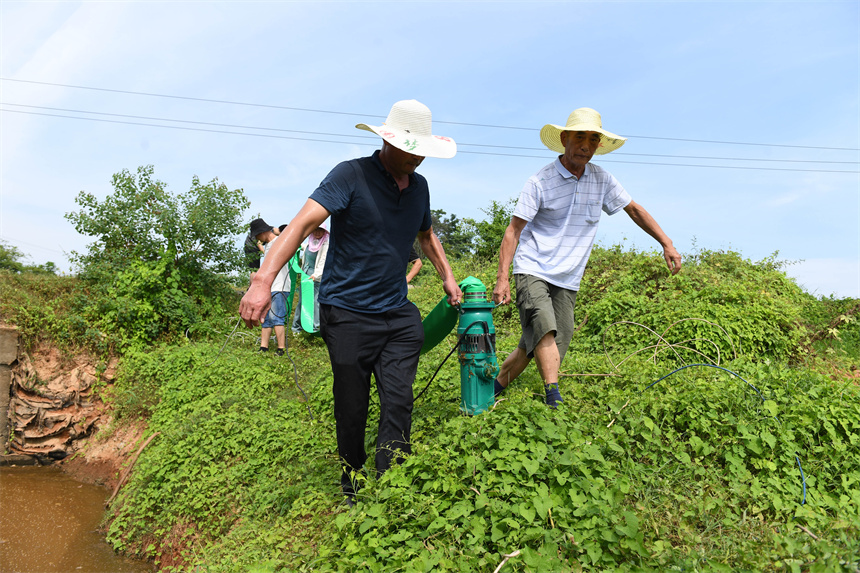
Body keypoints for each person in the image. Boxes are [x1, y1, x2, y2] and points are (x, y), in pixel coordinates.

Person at [239, 99, 463, 505]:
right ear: (387, 141)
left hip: (396, 312)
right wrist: (262, 280)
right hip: (347, 314)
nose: (416, 157)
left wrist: (448, 277)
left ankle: (391, 481)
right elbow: (303, 222)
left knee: (398, 399)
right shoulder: (351, 175)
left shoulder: (421, 188)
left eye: (421, 150)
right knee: (352, 406)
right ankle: (353, 481)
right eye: (409, 148)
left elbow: (426, 236)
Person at [492, 108, 682, 407]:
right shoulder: (540, 181)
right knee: (544, 326)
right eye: (580, 137)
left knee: (545, 340)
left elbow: (633, 209)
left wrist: (666, 242)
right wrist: (502, 279)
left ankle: (496, 385)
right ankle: (553, 397)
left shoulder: (602, 179)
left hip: (568, 276)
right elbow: (513, 231)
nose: (586, 145)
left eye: (593, 139)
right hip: (533, 267)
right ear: (565, 138)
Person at [291, 222, 330, 333]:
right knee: (302, 301)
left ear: (324, 232)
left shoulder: (325, 245)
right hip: (305, 274)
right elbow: (306, 249)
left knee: (315, 302)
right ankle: (296, 328)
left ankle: (315, 328)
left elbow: (323, 261)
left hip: (315, 276)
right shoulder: (310, 242)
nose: (317, 232)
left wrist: (316, 275)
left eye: (320, 230)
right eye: (315, 229)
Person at [259, 224, 291, 356]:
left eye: (257, 235)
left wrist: (275, 231)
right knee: (266, 318)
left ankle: (281, 349)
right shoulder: (268, 246)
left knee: (277, 317)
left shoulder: (279, 241)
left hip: (279, 287)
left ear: (263, 232)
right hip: (268, 287)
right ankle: (263, 347)